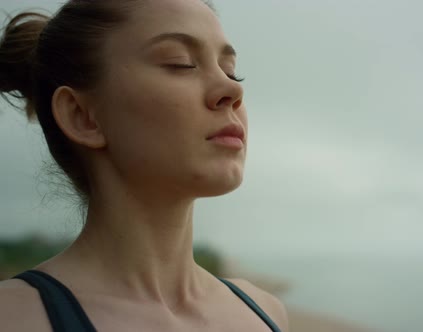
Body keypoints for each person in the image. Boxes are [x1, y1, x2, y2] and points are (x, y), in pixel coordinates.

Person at [0, 0, 289, 331]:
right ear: (83, 117)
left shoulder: (265, 314)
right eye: (180, 63)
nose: (233, 89)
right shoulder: (13, 317)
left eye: (229, 69)